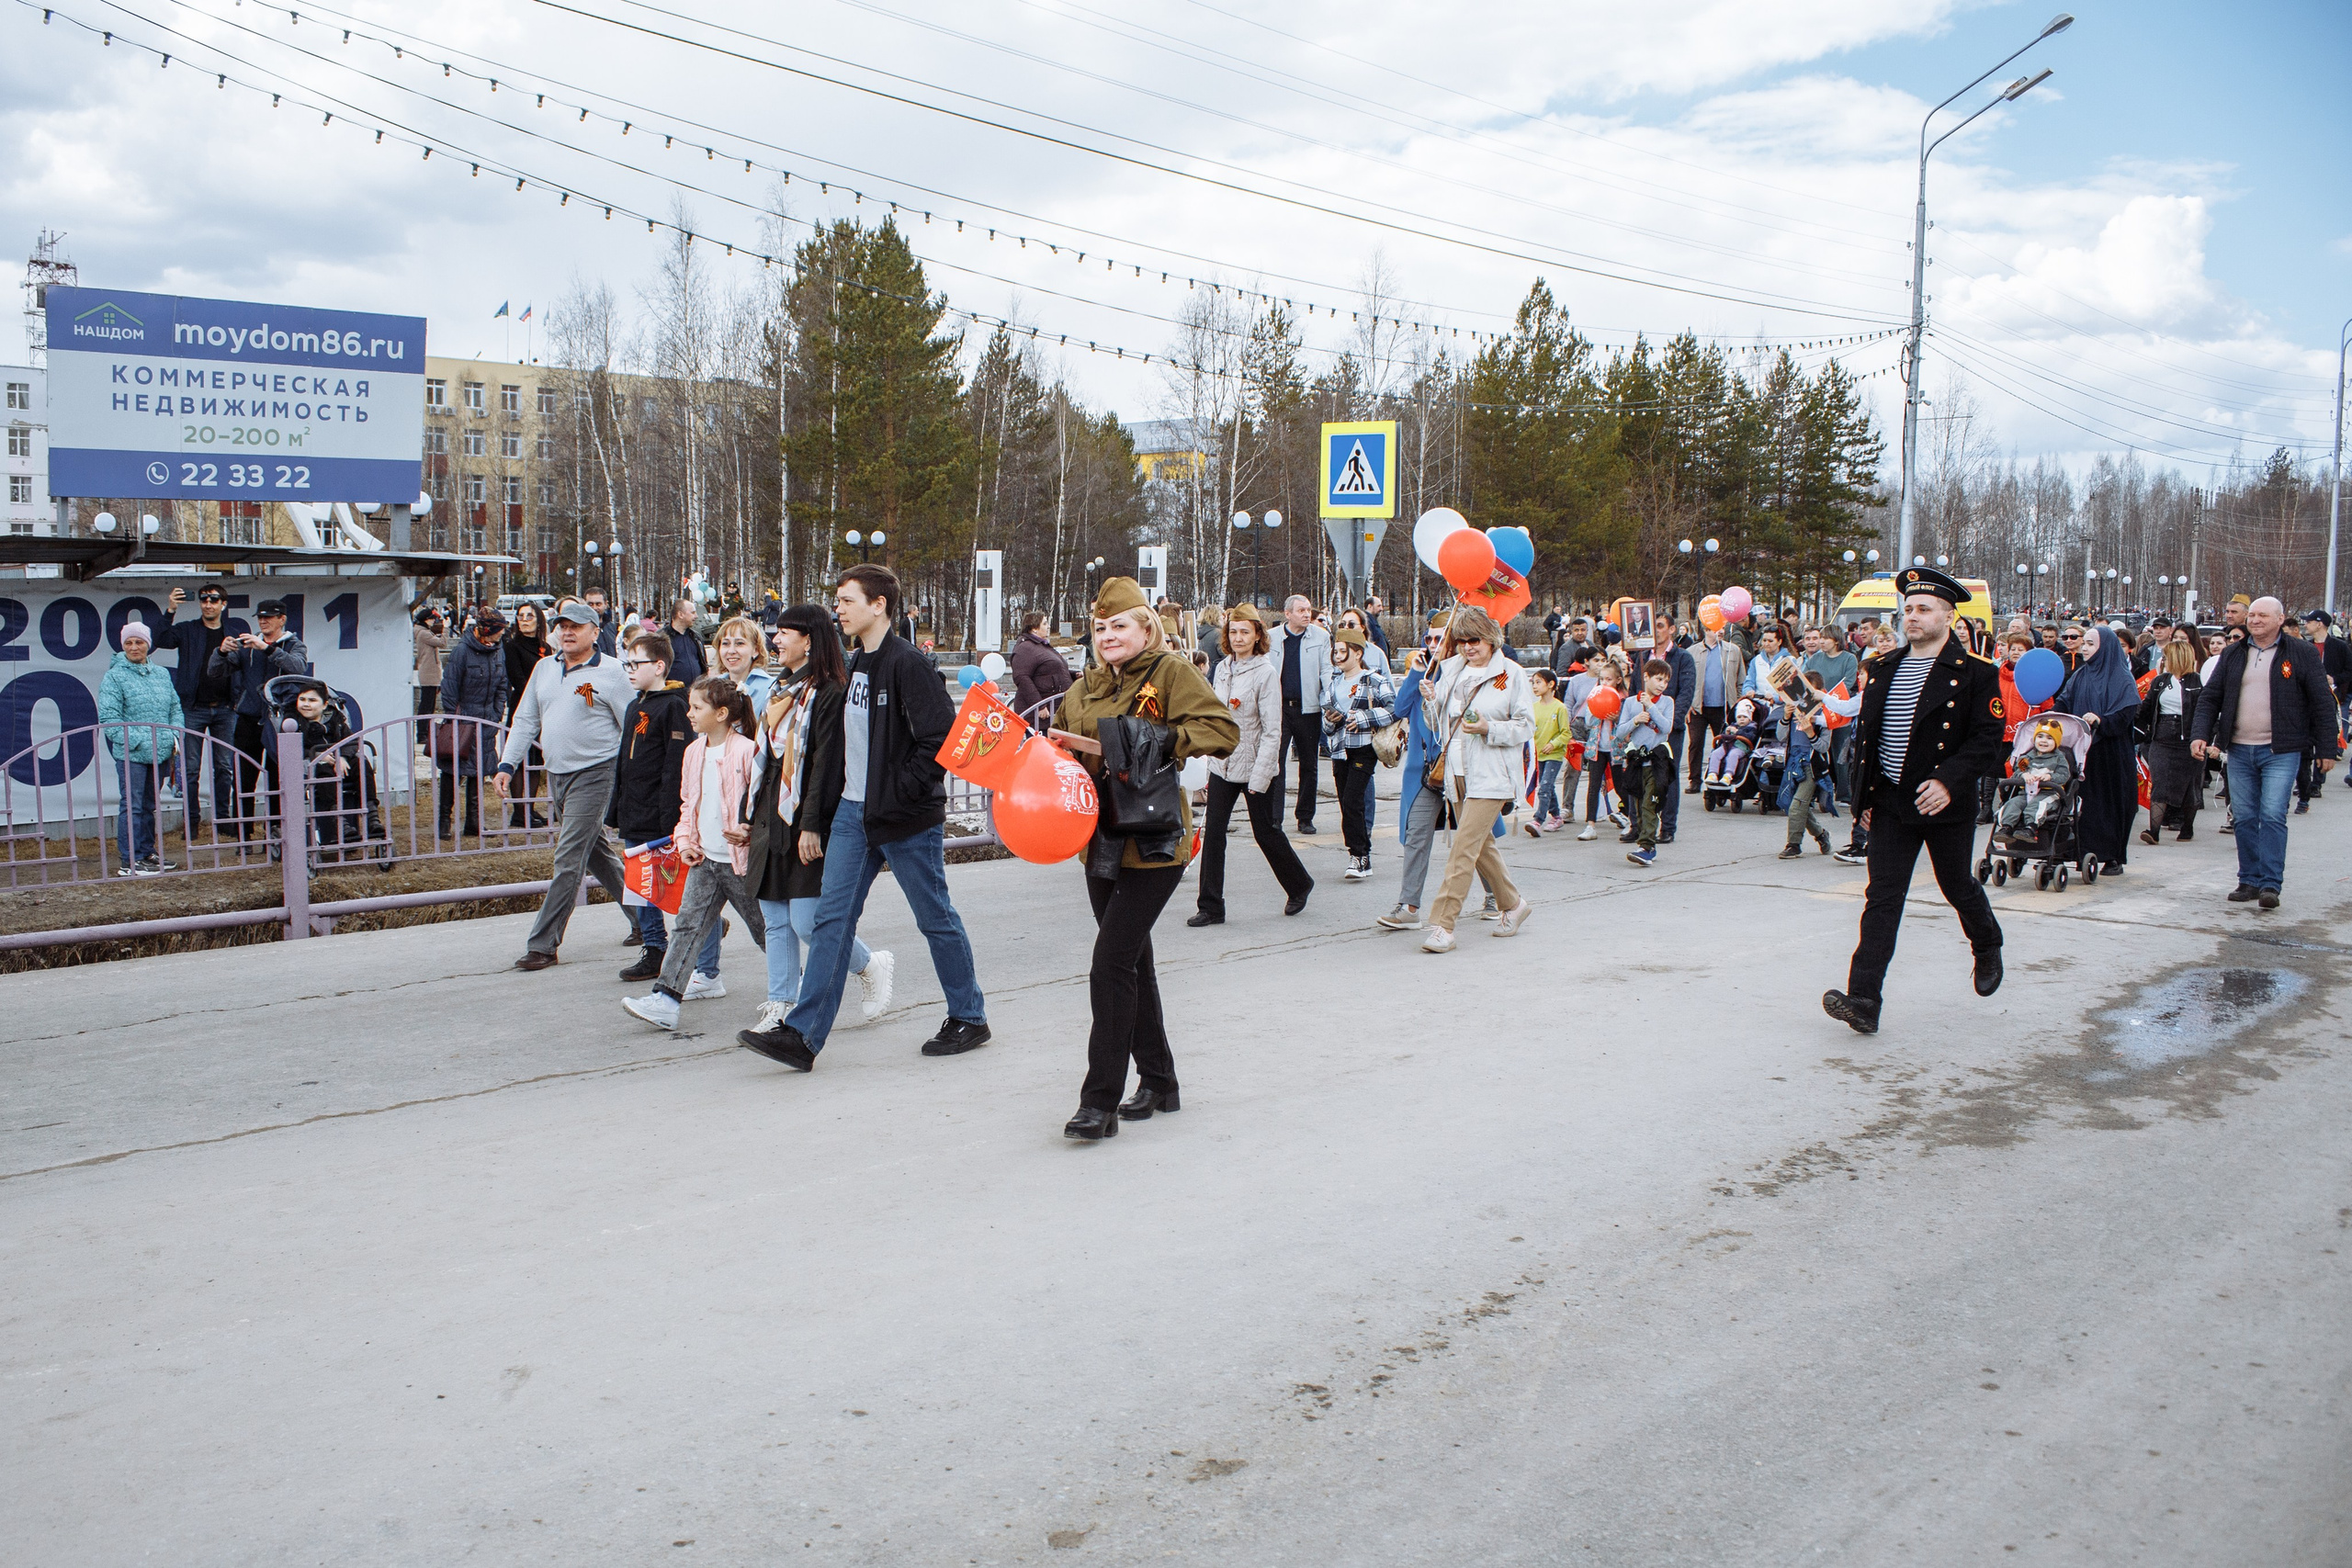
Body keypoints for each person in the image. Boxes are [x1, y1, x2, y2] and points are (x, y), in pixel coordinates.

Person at [737, 565, 990, 1071]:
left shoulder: (907, 664)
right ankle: (802, 1037)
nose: (840, 609)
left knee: (934, 918)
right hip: (854, 817)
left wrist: (897, 794)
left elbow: (939, 741)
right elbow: (843, 752)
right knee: (831, 920)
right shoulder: (856, 663)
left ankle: (969, 1015)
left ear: (879, 606)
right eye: (838, 600)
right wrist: (822, 817)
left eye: (848, 600)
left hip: (905, 819)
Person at [1039, 578, 1239, 1140]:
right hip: (1100, 841)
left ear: (1146, 627)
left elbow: (1222, 730)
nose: (1108, 636)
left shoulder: (1170, 672)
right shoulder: (1084, 688)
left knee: (1110, 962)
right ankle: (1160, 1080)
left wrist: (1152, 742)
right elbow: (1069, 756)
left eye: (1120, 625)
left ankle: (1098, 1102)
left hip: (1155, 841)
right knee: (1132, 963)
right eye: (1100, 627)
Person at [1823, 567, 2007, 1036]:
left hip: (1944, 803)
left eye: (1924, 609)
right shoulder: (1883, 668)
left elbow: (1988, 741)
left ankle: (1986, 943)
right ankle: (1864, 998)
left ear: (1948, 614)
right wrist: (1865, 796)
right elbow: (1870, 737)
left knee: (1955, 885)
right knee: (1882, 898)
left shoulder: (1976, 674)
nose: (1913, 616)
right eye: (1908, 609)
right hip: (1892, 802)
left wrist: (1948, 781)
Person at [736, 604, 895, 1049]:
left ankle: (869, 964)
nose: (776, 641)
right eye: (776, 633)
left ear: (809, 639)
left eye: (785, 633)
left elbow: (826, 763)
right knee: (775, 920)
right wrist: (748, 818)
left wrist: (811, 826)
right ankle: (781, 1006)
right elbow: (763, 757)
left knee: (808, 922)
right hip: (771, 813)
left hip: (806, 817)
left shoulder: (828, 690)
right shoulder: (779, 686)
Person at [621, 676, 771, 1029]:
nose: (689, 713)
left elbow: (760, 804)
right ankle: (666, 999)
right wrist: (686, 842)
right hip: (705, 859)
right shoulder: (693, 751)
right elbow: (688, 803)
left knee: (764, 929)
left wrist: (748, 831)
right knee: (687, 925)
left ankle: (793, 987)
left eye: (697, 707)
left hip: (739, 863)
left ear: (721, 714)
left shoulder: (747, 750)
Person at [497, 602, 637, 970]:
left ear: (595, 631)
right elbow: (526, 719)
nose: (568, 632)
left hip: (596, 772)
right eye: (563, 626)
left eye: (577, 626)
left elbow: (634, 725)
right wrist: (507, 765)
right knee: (599, 857)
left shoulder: (611, 673)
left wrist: (634, 774)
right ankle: (648, 921)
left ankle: (543, 944)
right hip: (557, 774)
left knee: (568, 856)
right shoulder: (545, 668)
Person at [2190, 595, 2341, 909]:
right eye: (2252, 615)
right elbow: (2210, 698)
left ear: (2279, 619)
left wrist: (2327, 748)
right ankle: (2249, 880)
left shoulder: (2300, 653)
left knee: (2272, 815)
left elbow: (2322, 703)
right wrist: (2200, 734)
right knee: (2244, 816)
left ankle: (2271, 884)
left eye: (2262, 615)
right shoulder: (2233, 654)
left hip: (2281, 750)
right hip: (2240, 750)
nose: (2255, 620)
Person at [1416, 606, 1535, 952]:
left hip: (1492, 773)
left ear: (1492, 639)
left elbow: (1526, 726)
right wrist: (1430, 702)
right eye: (1463, 640)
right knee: (1481, 847)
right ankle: (1513, 905)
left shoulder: (1511, 674)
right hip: (1455, 771)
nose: (1469, 647)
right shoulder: (1451, 669)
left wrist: (1489, 729)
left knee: (1463, 849)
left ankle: (1443, 924)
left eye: (1476, 640)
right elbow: (1439, 724)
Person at [1192, 605, 1313, 926]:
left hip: (1255, 764)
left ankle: (1299, 884)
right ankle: (1210, 906)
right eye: (1233, 631)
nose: (1238, 637)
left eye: (1245, 631)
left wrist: (1261, 774)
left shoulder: (1266, 673)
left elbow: (1273, 730)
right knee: (1214, 833)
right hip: (1223, 765)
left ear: (1258, 634)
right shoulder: (1221, 669)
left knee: (1266, 832)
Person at [1378, 617, 1497, 931]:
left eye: (1439, 639)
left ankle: (1495, 895)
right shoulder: (1424, 674)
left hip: (1463, 770)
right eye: (1429, 640)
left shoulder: (1467, 675)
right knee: (1416, 835)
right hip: (1426, 772)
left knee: (1476, 838)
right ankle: (1408, 906)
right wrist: (1416, 674)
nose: (1433, 646)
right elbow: (1400, 709)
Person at [609, 631, 710, 986]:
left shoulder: (673, 706)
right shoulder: (635, 705)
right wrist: (617, 807)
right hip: (634, 810)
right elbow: (625, 761)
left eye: (636, 663)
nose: (630, 670)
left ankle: (704, 926)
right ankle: (654, 947)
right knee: (639, 883)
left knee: (670, 881)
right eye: (627, 663)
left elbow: (676, 764)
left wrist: (674, 815)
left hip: (660, 813)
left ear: (659, 666)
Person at [208, 599, 311, 840]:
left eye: (269, 617)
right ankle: (243, 833)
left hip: (280, 720)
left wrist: (266, 649)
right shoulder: (247, 645)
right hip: (248, 718)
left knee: (277, 778)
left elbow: (298, 667)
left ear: (282, 619)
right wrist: (221, 651)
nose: (263, 621)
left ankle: (276, 833)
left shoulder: (294, 644)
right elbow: (215, 672)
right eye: (260, 618)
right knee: (243, 779)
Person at [2053, 623, 2142, 874]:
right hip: (2081, 750)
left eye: (2091, 644)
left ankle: (2112, 856)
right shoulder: (2082, 674)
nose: (2085, 648)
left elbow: (2125, 715)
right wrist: (2055, 715)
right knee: (2081, 803)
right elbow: (2065, 700)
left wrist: (2101, 720)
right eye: (2085, 643)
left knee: (2109, 804)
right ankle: (2079, 850)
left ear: (2106, 648)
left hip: (2109, 754)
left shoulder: (2121, 677)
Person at [99, 620, 182, 875]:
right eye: (128, 642)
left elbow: (175, 708)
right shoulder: (114, 677)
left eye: (139, 642)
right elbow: (109, 719)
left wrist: (172, 736)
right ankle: (130, 860)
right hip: (132, 753)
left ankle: (147, 852)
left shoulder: (162, 674)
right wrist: (139, 741)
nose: (134, 647)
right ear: (122, 646)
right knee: (132, 805)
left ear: (148, 644)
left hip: (160, 751)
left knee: (149, 805)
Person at [155, 584, 241, 830]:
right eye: (204, 599)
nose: (208, 604)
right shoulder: (188, 629)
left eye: (214, 600)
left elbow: (244, 665)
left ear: (223, 604)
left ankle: (223, 820)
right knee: (190, 770)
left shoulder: (233, 633)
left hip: (226, 709)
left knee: (224, 768)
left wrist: (238, 696)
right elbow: (161, 639)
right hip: (193, 708)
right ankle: (191, 821)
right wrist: (170, 609)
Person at [1320, 626, 1395, 880]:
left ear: (1358, 653)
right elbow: (1326, 726)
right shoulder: (1334, 682)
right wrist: (1331, 720)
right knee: (1345, 803)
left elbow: (1395, 710)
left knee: (1353, 800)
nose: (1338, 656)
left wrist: (1364, 717)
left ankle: (1359, 855)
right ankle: (1362, 857)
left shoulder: (1374, 679)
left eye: (1343, 652)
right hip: (1340, 749)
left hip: (1364, 748)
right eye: (1336, 652)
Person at [434, 605, 509, 841]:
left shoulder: (498, 651)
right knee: (452, 770)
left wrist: (496, 713)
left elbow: (502, 684)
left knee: (479, 772)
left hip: (486, 720)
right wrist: (455, 717)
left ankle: (474, 823)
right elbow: (450, 687)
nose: (502, 635)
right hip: (462, 721)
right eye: (499, 631)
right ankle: (444, 821)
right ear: (488, 630)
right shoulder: (462, 652)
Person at [1268, 595, 1332, 836]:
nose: (1307, 614)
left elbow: (1326, 669)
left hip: (1309, 708)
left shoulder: (1321, 637)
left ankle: (1305, 817)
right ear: (1288, 614)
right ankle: (1274, 817)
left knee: (1309, 765)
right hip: (1279, 708)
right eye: (1301, 610)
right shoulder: (1271, 637)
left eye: (1308, 610)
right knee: (1276, 763)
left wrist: (1330, 699)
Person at [2137, 639, 2203, 844]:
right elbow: (2146, 709)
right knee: (2160, 782)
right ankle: (2154, 830)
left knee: (2190, 785)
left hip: (2189, 739)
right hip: (2162, 737)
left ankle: (2187, 826)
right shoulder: (2160, 681)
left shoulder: (2197, 682)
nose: (2163, 660)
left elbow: (2205, 712)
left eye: (2167, 657)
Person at [1616, 659, 1675, 866]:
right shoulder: (1632, 703)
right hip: (1636, 760)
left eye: (1666, 681)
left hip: (1657, 761)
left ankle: (1647, 846)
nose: (1662, 685)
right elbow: (1620, 731)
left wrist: (1652, 707)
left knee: (1651, 804)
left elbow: (1667, 727)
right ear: (1646, 677)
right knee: (1639, 805)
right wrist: (1635, 720)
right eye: (1659, 679)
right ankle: (1644, 840)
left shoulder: (1667, 702)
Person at [503, 603, 553, 829]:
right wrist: (537, 693)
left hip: (543, 706)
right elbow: (517, 678)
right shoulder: (512, 646)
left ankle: (530, 808)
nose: (524, 620)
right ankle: (519, 811)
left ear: (538, 620)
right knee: (520, 759)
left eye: (529, 616)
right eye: (520, 616)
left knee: (535, 760)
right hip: (522, 704)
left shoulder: (546, 648)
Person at [1685, 619, 1746, 793]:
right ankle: (1695, 779)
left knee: (1725, 743)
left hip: (1724, 707)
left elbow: (1741, 680)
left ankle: (1722, 776)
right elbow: (1687, 681)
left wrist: (1738, 704)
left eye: (1721, 628)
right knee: (1695, 743)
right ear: (1705, 630)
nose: (1719, 632)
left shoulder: (1733, 651)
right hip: (1699, 707)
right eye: (1714, 629)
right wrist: (1688, 703)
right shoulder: (1692, 651)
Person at [1777, 680, 1836, 859]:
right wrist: (1786, 718)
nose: (1805, 698)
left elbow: (1823, 747)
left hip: (1812, 766)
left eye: (1810, 692)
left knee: (1798, 806)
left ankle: (1793, 844)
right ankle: (1820, 834)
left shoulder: (1824, 716)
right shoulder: (1794, 711)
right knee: (1792, 804)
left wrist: (1811, 733)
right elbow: (1780, 736)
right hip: (1794, 763)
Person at [1994, 720, 2076, 840]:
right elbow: (2017, 771)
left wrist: (2050, 777)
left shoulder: (2060, 758)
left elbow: (2064, 776)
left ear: (2056, 741)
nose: (2043, 740)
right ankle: (2006, 828)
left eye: (2049, 738)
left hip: (2049, 794)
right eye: (2040, 736)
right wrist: (2024, 774)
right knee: (2012, 804)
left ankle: (2030, 828)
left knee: (2036, 806)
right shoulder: (2026, 757)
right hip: (2026, 793)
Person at [1527, 667, 1571, 833]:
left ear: (1551, 684)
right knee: (1547, 786)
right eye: (1533, 683)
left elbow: (1566, 733)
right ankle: (1557, 816)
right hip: (1539, 754)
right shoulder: (1533, 707)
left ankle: (1538, 819)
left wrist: (1554, 744)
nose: (1535, 687)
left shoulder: (1560, 708)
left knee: (1545, 787)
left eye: (1538, 682)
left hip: (1554, 754)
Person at [1010, 611, 1074, 716]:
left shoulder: (1041, 646)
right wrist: (1039, 705)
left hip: (1054, 709)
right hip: (1040, 715)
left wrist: (1073, 675)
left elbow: (1052, 670)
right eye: (1044, 624)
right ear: (1034, 628)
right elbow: (1021, 677)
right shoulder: (1025, 648)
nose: (1048, 627)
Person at [712, 615, 775, 711]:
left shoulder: (771, 689)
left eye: (740, 643)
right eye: (725, 644)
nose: (731, 651)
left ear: (756, 650)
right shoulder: (712, 688)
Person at [412, 607, 450, 716]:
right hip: (429, 674)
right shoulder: (424, 633)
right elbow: (443, 643)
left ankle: (425, 730)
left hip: (428, 673)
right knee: (427, 705)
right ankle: (424, 731)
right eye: (432, 619)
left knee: (428, 704)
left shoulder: (422, 632)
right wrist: (446, 628)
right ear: (426, 620)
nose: (434, 621)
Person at [665, 597, 708, 685]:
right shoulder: (661, 638)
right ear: (680, 614)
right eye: (692, 613)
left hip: (695, 692)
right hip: (671, 694)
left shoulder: (696, 637)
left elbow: (703, 664)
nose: (696, 616)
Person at [584, 586, 619, 655]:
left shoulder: (611, 627)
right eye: (590, 604)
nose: (594, 608)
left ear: (605, 604)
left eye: (598, 604)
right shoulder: (582, 628)